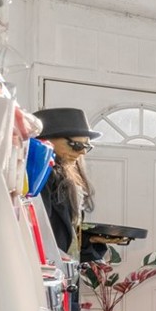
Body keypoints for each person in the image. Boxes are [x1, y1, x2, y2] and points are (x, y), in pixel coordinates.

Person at [32, 107, 109, 262]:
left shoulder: (67, 175)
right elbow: (39, 230)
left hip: (63, 266)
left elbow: (64, 227)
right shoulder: (39, 176)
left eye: (86, 146)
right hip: (45, 265)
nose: (82, 153)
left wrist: (90, 239)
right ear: (45, 141)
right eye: (76, 145)